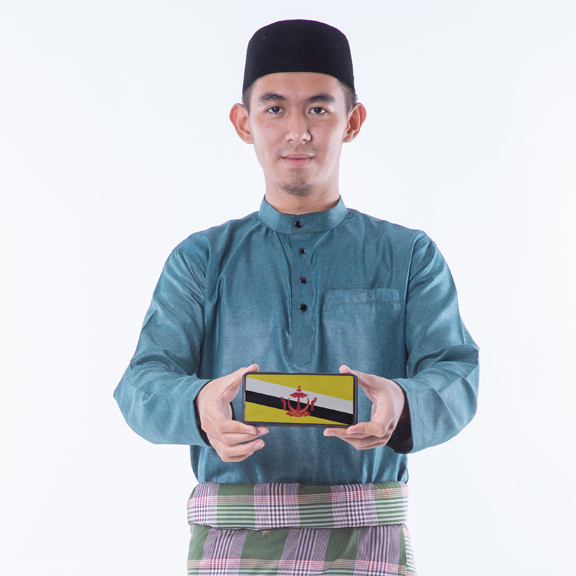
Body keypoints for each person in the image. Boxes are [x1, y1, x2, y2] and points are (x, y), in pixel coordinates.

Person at [114, 19, 479, 575]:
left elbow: (457, 373)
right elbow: (142, 383)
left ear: (352, 121)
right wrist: (199, 405)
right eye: (275, 108)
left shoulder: (408, 255)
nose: (298, 132)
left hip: (367, 541)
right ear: (244, 122)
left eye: (319, 109)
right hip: (233, 543)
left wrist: (403, 400)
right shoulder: (201, 259)